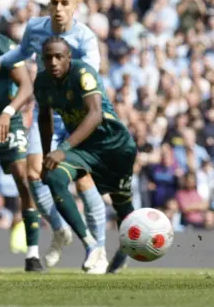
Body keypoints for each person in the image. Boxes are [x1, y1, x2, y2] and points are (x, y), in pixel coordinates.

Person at [0, 0, 108, 273]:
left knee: (82, 180)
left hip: (76, 116)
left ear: (75, 6)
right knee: (36, 173)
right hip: (46, 112)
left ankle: (99, 249)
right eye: (54, 3)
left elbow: (92, 77)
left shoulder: (85, 38)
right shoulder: (35, 28)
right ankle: (60, 230)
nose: (59, 9)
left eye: (65, 3)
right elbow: (19, 54)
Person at [33, 37, 138, 274]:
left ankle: (126, 249)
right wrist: (49, 153)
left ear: (69, 57)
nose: (53, 61)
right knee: (53, 177)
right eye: (48, 57)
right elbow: (44, 118)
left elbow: (95, 115)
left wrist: (63, 148)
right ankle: (92, 245)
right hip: (84, 148)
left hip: (114, 145)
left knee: (122, 204)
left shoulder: (83, 74)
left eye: (59, 56)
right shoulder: (41, 82)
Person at [0, 33, 43, 272]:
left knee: (24, 179)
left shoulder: (2, 44)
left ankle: (33, 253)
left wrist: (7, 111)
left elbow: (26, 85)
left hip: (5, 119)